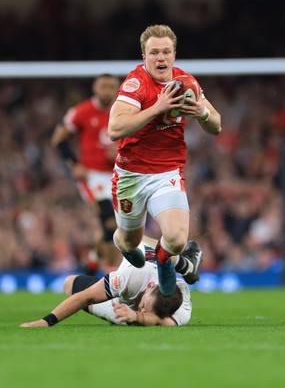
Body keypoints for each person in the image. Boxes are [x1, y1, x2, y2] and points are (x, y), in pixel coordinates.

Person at [108, 24, 221, 296]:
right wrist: (157, 108)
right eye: (154, 52)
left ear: (174, 55)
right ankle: (124, 243)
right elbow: (114, 129)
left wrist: (202, 114)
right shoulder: (135, 84)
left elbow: (216, 125)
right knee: (129, 241)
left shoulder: (186, 82)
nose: (161, 58)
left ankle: (163, 260)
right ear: (144, 56)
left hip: (167, 172)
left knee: (176, 238)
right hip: (131, 175)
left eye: (166, 52)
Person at [19, 237, 203, 328]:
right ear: (150, 287)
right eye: (145, 306)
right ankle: (185, 264)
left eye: (147, 311)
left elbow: (163, 323)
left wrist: (137, 316)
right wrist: (46, 321)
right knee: (69, 284)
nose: (143, 310)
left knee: (128, 320)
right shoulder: (131, 277)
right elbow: (86, 296)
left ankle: (182, 263)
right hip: (136, 267)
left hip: (120, 304)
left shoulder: (182, 308)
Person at [51, 74, 122, 274]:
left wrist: (121, 151)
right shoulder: (81, 112)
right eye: (103, 86)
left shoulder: (125, 112)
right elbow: (59, 139)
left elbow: (137, 141)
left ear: (117, 89)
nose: (107, 90)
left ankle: (91, 264)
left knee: (118, 228)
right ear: (95, 88)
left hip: (118, 176)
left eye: (111, 86)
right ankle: (112, 277)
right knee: (110, 224)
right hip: (92, 177)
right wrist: (74, 164)